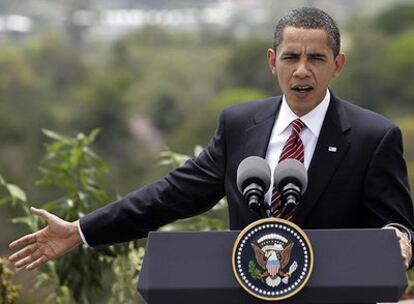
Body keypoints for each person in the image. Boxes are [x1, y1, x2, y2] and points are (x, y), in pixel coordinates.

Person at [8, 7, 414, 271]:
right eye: (291, 57)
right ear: (273, 62)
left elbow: (398, 226)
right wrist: (81, 230)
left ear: (337, 65)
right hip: (246, 294)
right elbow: (173, 194)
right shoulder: (240, 125)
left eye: (317, 59)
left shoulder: (373, 138)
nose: (302, 71)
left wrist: (400, 240)